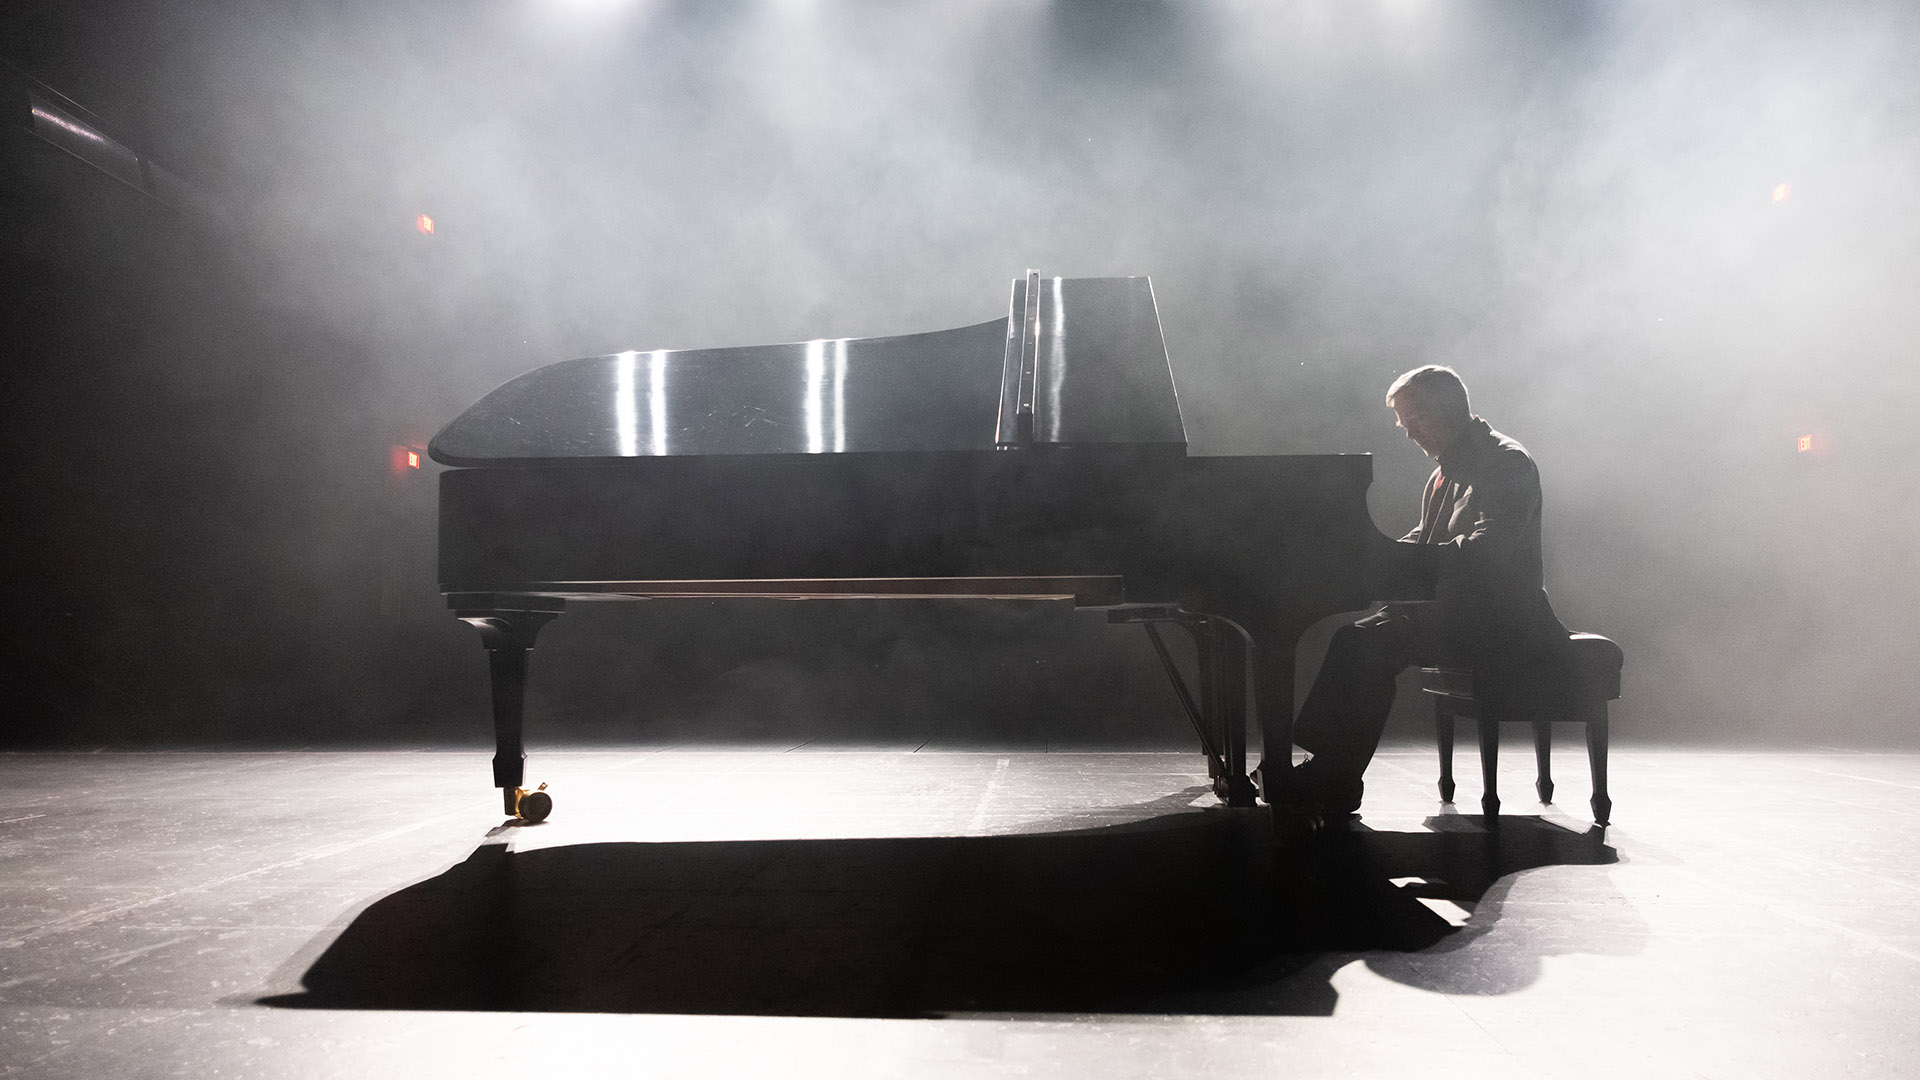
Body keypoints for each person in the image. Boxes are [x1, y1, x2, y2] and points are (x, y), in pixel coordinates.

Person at [1284, 365, 1568, 816]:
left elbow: (1486, 553)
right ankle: (1331, 772)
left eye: (1414, 421)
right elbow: (1421, 540)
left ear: (1446, 409)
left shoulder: (1506, 463)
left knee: (1365, 645)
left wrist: (1396, 566)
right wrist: (1365, 559)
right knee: (1357, 638)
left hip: (1504, 623)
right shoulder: (1443, 474)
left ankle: (1333, 778)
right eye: (1403, 425)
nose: (1409, 434)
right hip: (1458, 615)